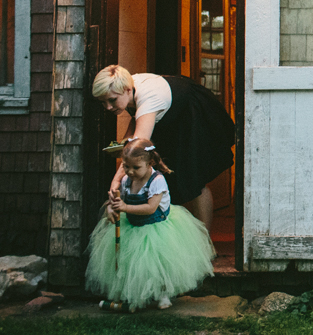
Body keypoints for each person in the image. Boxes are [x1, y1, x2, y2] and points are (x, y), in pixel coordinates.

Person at [92, 65, 235, 231]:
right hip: (172, 118)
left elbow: (138, 146)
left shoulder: (149, 100)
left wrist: (116, 181)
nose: (108, 107)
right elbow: (135, 125)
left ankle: (205, 241)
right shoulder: (128, 88)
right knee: (169, 176)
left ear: (127, 90)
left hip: (193, 112)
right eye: (103, 102)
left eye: (112, 100)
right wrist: (124, 142)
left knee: (195, 179)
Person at [85, 138, 216, 311]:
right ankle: (134, 293)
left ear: (150, 163)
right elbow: (118, 201)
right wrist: (112, 209)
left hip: (156, 227)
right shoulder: (126, 181)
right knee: (130, 263)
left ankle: (162, 293)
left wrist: (124, 207)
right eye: (126, 167)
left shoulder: (157, 181)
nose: (130, 172)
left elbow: (150, 208)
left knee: (159, 265)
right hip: (132, 225)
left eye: (136, 168)